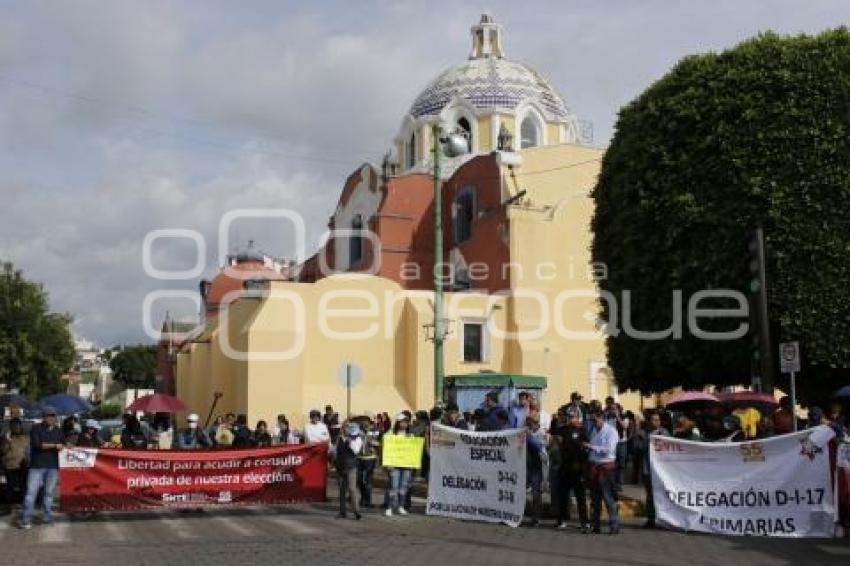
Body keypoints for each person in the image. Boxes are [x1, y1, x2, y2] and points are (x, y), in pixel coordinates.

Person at [19, 406, 65, 529]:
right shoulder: (36, 428)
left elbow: (63, 446)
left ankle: (47, 517)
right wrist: (56, 445)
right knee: (31, 493)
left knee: (49, 494)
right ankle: (26, 519)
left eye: (53, 415)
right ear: (43, 417)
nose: (51, 418)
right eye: (48, 415)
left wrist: (66, 446)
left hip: (53, 467)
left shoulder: (59, 431)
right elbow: (38, 445)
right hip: (37, 466)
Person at [554, 407, 590, 532]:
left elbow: (587, 448)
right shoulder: (562, 430)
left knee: (580, 497)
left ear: (578, 417)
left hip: (578, 469)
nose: (570, 418)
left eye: (573, 416)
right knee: (562, 495)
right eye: (569, 416)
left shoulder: (582, 430)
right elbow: (555, 439)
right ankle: (561, 520)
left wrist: (584, 466)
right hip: (565, 468)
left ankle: (584, 522)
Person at [585, 408, 619, 535]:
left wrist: (591, 447)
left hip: (606, 468)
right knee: (595, 499)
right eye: (592, 420)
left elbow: (609, 450)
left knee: (609, 498)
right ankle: (595, 525)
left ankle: (614, 525)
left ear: (601, 418)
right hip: (594, 467)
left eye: (595, 420)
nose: (593, 422)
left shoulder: (611, 431)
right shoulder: (594, 430)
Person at [633, 410, 669, 528]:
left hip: (663, 470)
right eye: (654, 420)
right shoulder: (642, 433)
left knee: (664, 494)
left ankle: (665, 519)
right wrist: (650, 440)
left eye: (658, 420)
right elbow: (636, 448)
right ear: (648, 421)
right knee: (650, 495)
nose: (656, 422)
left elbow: (672, 446)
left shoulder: (664, 432)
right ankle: (651, 519)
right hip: (648, 469)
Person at [384, 413, 413, 517]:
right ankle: (389, 507)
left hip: (406, 465)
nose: (404, 424)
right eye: (402, 421)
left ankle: (401, 506)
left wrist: (412, 463)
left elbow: (413, 451)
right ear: (397, 422)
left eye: (406, 422)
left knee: (403, 487)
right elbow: (386, 448)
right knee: (393, 486)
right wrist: (388, 464)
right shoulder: (390, 434)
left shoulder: (410, 435)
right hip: (394, 465)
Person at [335, 421, 363, 520]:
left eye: (348, 427)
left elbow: (356, 450)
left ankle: (357, 511)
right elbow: (336, 451)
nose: (346, 429)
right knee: (342, 491)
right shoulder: (339, 438)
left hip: (351, 467)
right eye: (345, 427)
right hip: (340, 467)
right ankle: (342, 512)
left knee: (352, 489)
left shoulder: (357, 439)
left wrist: (350, 440)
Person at [1, 417, 29, 506]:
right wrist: (7, 441)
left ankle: (23, 503)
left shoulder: (26, 437)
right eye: (14, 426)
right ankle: (8, 505)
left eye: (18, 426)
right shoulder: (5, 438)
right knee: (10, 487)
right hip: (10, 465)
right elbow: (3, 451)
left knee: (23, 486)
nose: (16, 428)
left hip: (23, 465)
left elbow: (29, 450)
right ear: (11, 427)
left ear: (20, 426)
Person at [525, 416, 546, 527]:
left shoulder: (541, 433)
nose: (527, 426)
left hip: (536, 466)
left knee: (536, 493)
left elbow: (539, 447)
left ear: (534, 423)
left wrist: (529, 438)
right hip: (527, 466)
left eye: (529, 424)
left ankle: (536, 518)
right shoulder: (527, 432)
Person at [357, 417, 380, 508]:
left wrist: (375, 443)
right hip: (359, 458)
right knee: (359, 480)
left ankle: (368, 500)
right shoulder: (358, 432)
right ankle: (363, 497)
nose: (365, 424)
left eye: (367, 422)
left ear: (370, 423)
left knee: (368, 480)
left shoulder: (375, 431)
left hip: (370, 458)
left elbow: (381, 442)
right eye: (363, 422)